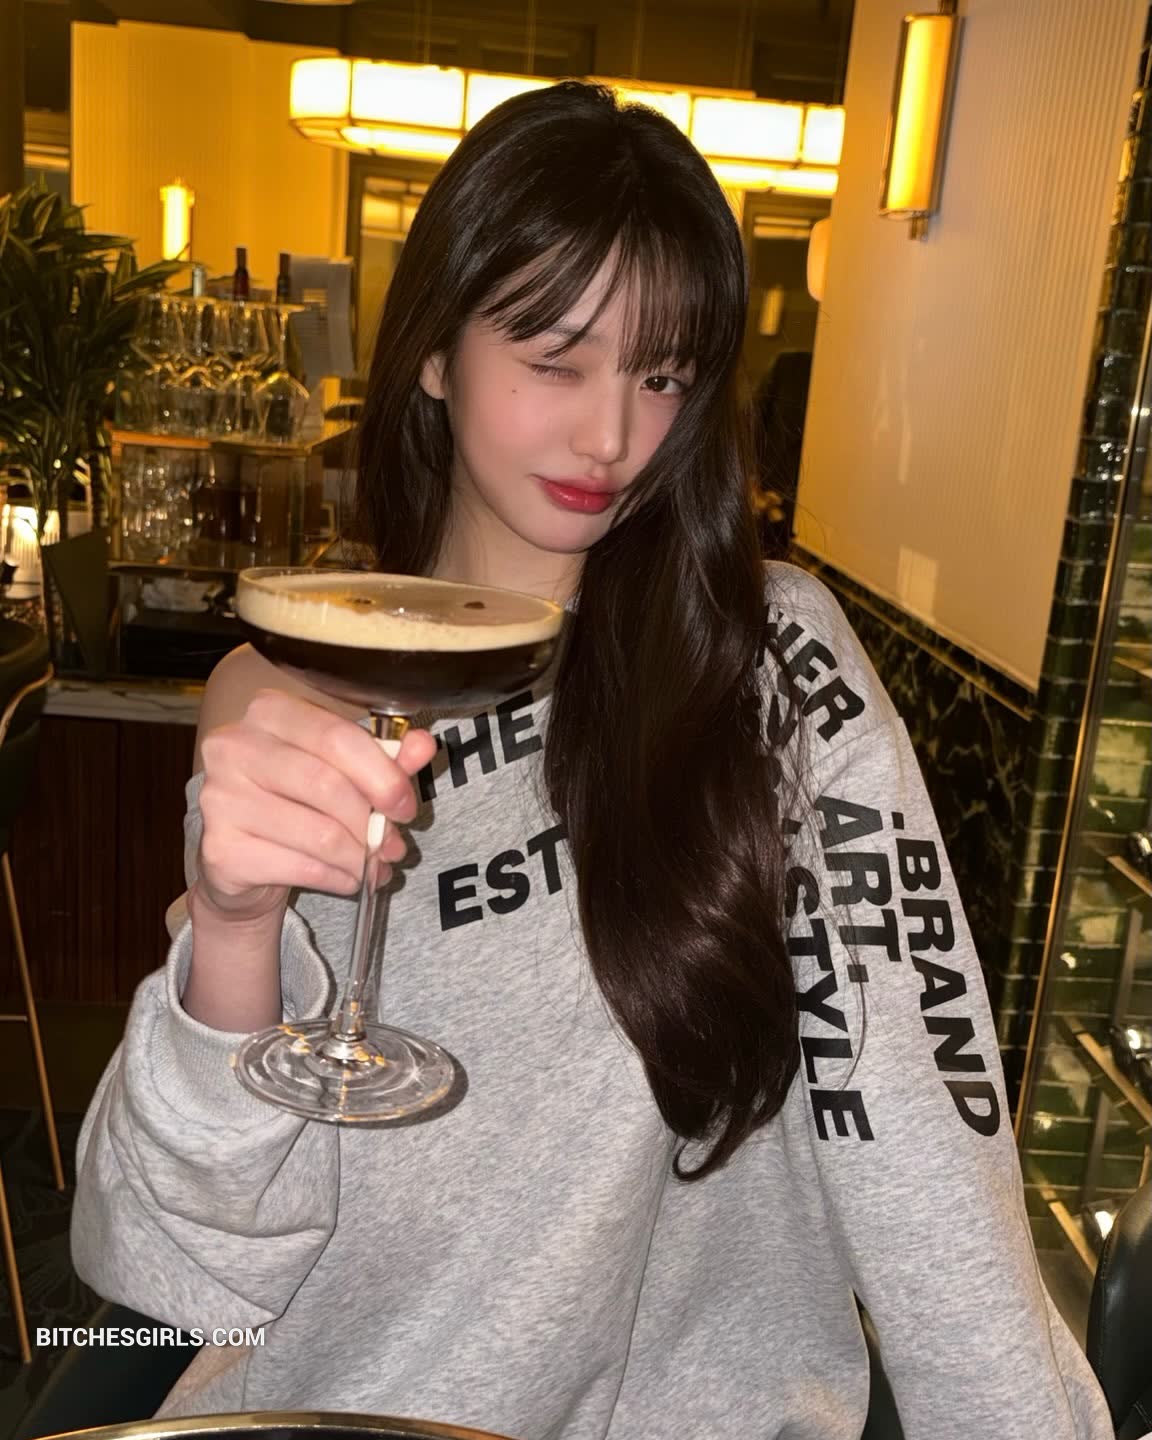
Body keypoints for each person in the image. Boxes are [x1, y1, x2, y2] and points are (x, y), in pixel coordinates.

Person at [71, 81, 1111, 1439]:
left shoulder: (769, 665)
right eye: (556, 358)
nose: (613, 438)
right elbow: (167, 1273)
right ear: (434, 352)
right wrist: (230, 924)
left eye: (661, 375)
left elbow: (922, 1142)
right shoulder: (299, 689)